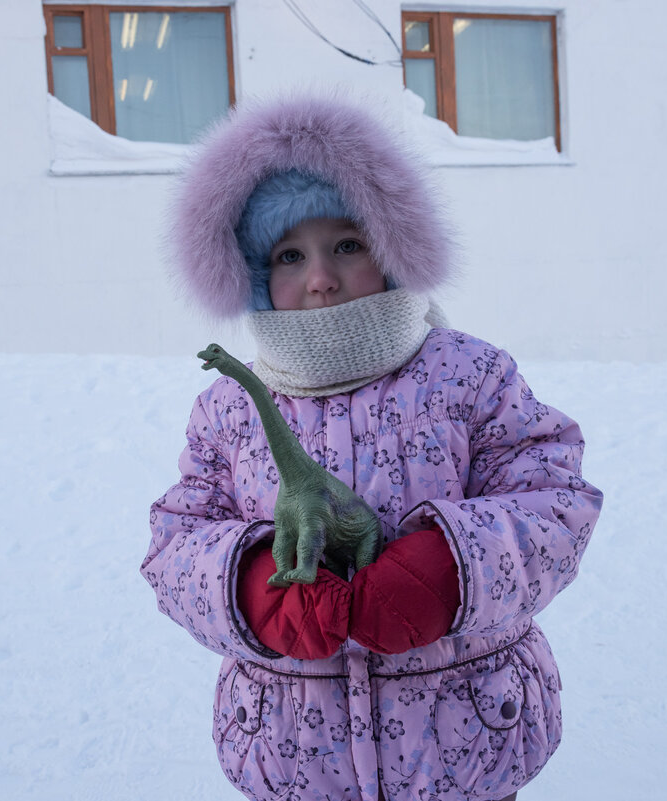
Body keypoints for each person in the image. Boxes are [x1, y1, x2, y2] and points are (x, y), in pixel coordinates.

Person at [141, 94, 603, 801]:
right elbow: (177, 541)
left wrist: (447, 569)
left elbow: (555, 500)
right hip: (296, 757)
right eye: (289, 255)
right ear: (257, 275)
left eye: (347, 245)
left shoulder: (468, 375)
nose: (320, 276)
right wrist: (253, 587)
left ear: (390, 248)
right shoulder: (230, 408)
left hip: (467, 747)